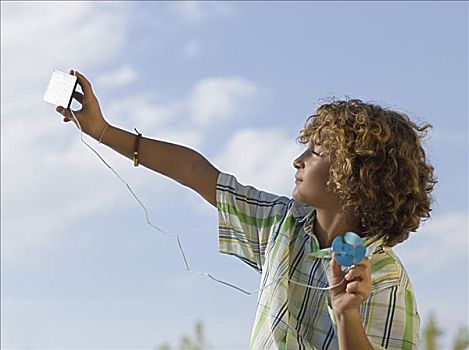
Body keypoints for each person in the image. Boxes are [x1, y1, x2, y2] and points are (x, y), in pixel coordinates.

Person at [56, 69, 437, 350]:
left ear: (356, 177)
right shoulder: (284, 225)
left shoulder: (385, 277)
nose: (297, 160)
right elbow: (195, 171)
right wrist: (102, 130)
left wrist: (346, 314)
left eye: (316, 152)